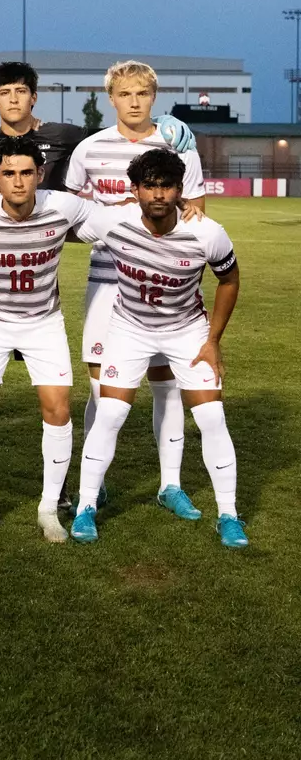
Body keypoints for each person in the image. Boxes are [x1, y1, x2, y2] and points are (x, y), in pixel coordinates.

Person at [0, 60, 195, 508]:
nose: (134, 101)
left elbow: (86, 212)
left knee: (163, 381)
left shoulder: (76, 139)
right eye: (5, 92)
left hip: (102, 281)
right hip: (30, 277)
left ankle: (160, 483)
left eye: (21, 91)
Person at [70, 148, 246, 548]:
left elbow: (230, 280)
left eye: (166, 186)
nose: (159, 195)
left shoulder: (207, 232)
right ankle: (85, 508)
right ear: (135, 190)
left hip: (187, 332)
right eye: (149, 186)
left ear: (179, 190)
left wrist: (213, 341)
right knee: (110, 412)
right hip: (129, 329)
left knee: (212, 417)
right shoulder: (114, 221)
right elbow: (63, 220)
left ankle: (229, 515)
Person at [65, 60, 206, 519]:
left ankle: (170, 485)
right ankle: (95, 485)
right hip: (108, 282)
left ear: (154, 96)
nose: (134, 102)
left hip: (164, 288)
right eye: (125, 94)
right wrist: (115, 220)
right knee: (101, 389)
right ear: (111, 98)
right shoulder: (89, 148)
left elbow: (199, 211)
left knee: (166, 387)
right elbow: (71, 216)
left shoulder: (178, 144)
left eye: (142, 93)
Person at [0, 136, 96, 543]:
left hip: (43, 322)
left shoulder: (63, 206)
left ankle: (49, 508)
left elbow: (112, 220)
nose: (18, 182)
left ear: (40, 175)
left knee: (58, 408)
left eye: (27, 173)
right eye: (9, 174)